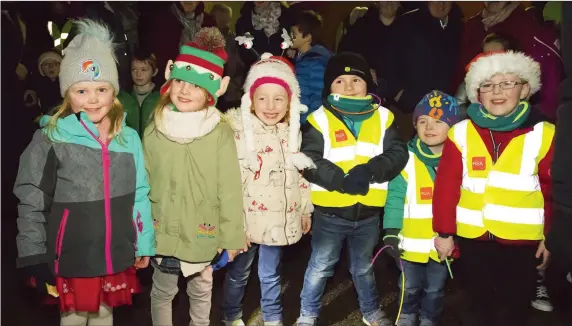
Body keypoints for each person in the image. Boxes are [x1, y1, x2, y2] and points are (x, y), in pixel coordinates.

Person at [14, 19, 155, 325]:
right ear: (67, 93)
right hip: (72, 256)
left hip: (114, 254)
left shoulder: (127, 138)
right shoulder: (52, 138)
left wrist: (143, 242)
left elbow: (140, 194)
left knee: (105, 315)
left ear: (114, 91)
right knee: (74, 318)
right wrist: (32, 253)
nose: (93, 98)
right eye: (82, 90)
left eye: (102, 88)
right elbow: (31, 198)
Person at [433, 51, 554, 326]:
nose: (497, 91)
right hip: (473, 240)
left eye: (507, 83)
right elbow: (446, 186)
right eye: (487, 84)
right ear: (477, 92)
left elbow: (552, 191)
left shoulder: (544, 132)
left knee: (513, 309)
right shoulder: (461, 132)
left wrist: (551, 237)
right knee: (476, 306)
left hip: (523, 244)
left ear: (525, 89)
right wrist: (443, 232)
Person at [296, 52, 409, 326]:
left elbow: (397, 152)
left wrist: (371, 170)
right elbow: (310, 160)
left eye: (356, 79)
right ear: (329, 87)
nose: (348, 86)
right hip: (330, 214)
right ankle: (307, 314)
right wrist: (340, 180)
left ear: (368, 84)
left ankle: (370, 312)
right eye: (339, 80)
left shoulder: (384, 117)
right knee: (320, 267)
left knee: (363, 268)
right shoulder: (318, 119)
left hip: (369, 215)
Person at [144, 27, 244, 326]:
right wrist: (137, 230)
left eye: (197, 86)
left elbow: (229, 187)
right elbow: (142, 181)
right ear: (169, 79)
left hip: (203, 230)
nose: (186, 90)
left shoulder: (219, 131)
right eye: (181, 81)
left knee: (201, 289)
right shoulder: (155, 125)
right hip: (162, 228)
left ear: (213, 92)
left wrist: (232, 236)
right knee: (162, 291)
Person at [221, 53, 315, 326]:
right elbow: (230, 181)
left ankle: (272, 316)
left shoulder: (292, 133)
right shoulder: (238, 134)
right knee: (239, 272)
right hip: (246, 220)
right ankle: (231, 315)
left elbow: (300, 175)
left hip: (277, 219)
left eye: (279, 98)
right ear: (250, 100)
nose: (271, 106)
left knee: (270, 272)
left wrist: (305, 209)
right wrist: (233, 224)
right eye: (262, 98)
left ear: (290, 103)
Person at [383, 90, 461, 326]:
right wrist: (391, 231)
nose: (429, 127)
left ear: (453, 127)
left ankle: (429, 318)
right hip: (410, 243)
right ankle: (406, 315)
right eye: (423, 121)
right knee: (408, 286)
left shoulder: (460, 159)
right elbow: (395, 197)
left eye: (439, 121)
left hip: (442, 244)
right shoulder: (405, 159)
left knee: (435, 289)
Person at [456, 33, 517, 119]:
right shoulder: (472, 80)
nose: (490, 59)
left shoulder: (517, 79)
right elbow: (459, 106)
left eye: (496, 54)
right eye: (486, 55)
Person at [290, 10, 332, 123]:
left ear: (307, 37)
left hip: (308, 120)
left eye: (294, 33)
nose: (290, 37)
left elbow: (318, 96)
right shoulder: (300, 58)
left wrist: (310, 123)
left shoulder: (316, 62)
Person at [211, 3, 245, 112]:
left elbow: (240, 65)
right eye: (220, 17)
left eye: (226, 18)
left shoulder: (234, 40)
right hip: (212, 89)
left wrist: (235, 86)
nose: (224, 22)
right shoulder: (207, 39)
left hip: (231, 93)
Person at [121, 49, 161, 136]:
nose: (138, 74)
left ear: (154, 72)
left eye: (144, 70)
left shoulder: (161, 97)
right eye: (134, 69)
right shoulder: (123, 96)